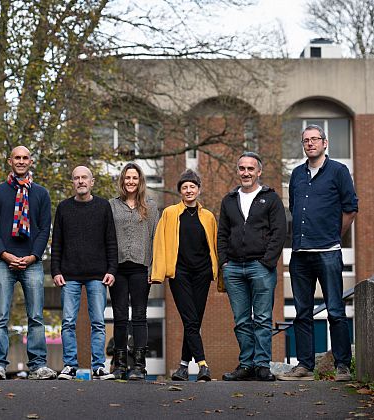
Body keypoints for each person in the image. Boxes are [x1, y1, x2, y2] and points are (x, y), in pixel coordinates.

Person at [276, 125, 357, 382]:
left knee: (335, 310)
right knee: (302, 312)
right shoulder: (297, 174)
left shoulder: (338, 171)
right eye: (306, 140)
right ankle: (304, 366)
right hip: (300, 254)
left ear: (325, 142)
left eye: (315, 139)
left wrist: (334, 235)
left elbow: (351, 208)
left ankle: (342, 366)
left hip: (328, 252)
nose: (310, 143)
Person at [0, 146, 56, 380]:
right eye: (17, 157)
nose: (21, 161)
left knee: (36, 316)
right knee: (0, 317)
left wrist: (34, 256)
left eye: (25, 158)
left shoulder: (41, 194)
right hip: (4, 261)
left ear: (31, 161)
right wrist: (4, 254)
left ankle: (38, 365)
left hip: (32, 262)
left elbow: (45, 228)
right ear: (10, 161)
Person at [218, 152, 286, 382]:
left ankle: (262, 365)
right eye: (241, 168)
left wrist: (267, 261)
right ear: (237, 171)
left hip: (261, 267)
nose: (245, 173)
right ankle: (246, 365)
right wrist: (224, 262)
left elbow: (280, 233)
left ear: (259, 172)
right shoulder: (228, 200)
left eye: (250, 169)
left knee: (263, 318)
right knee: (241, 320)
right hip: (234, 269)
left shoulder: (271, 198)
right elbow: (222, 234)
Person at [151, 169, 219, 382]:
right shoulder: (170, 213)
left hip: (202, 273)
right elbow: (160, 243)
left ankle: (181, 367)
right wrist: (158, 273)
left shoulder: (208, 216)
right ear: (180, 191)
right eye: (185, 187)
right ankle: (203, 364)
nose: (189, 190)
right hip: (179, 273)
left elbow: (214, 245)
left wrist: (216, 272)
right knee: (190, 319)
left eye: (192, 186)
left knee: (193, 322)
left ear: (199, 190)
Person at [52, 166, 118, 380]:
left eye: (84, 178)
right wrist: (55, 270)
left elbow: (111, 241)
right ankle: (70, 366)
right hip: (69, 274)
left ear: (92, 181)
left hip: (97, 275)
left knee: (98, 322)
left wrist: (111, 269)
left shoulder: (103, 207)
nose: (80, 181)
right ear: (73, 182)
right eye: (76, 178)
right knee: (68, 322)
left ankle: (99, 366)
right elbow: (57, 244)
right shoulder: (63, 208)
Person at [108, 163, 158, 380]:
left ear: (140, 181)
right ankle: (119, 365)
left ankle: (139, 365)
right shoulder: (111, 205)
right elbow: (106, 238)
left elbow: (156, 238)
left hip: (141, 268)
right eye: (127, 178)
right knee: (119, 317)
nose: (130, 181)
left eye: (134, 178)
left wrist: (153, 267)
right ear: (122, 180)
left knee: (139, 316)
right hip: (117, 268)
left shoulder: (151, 206)